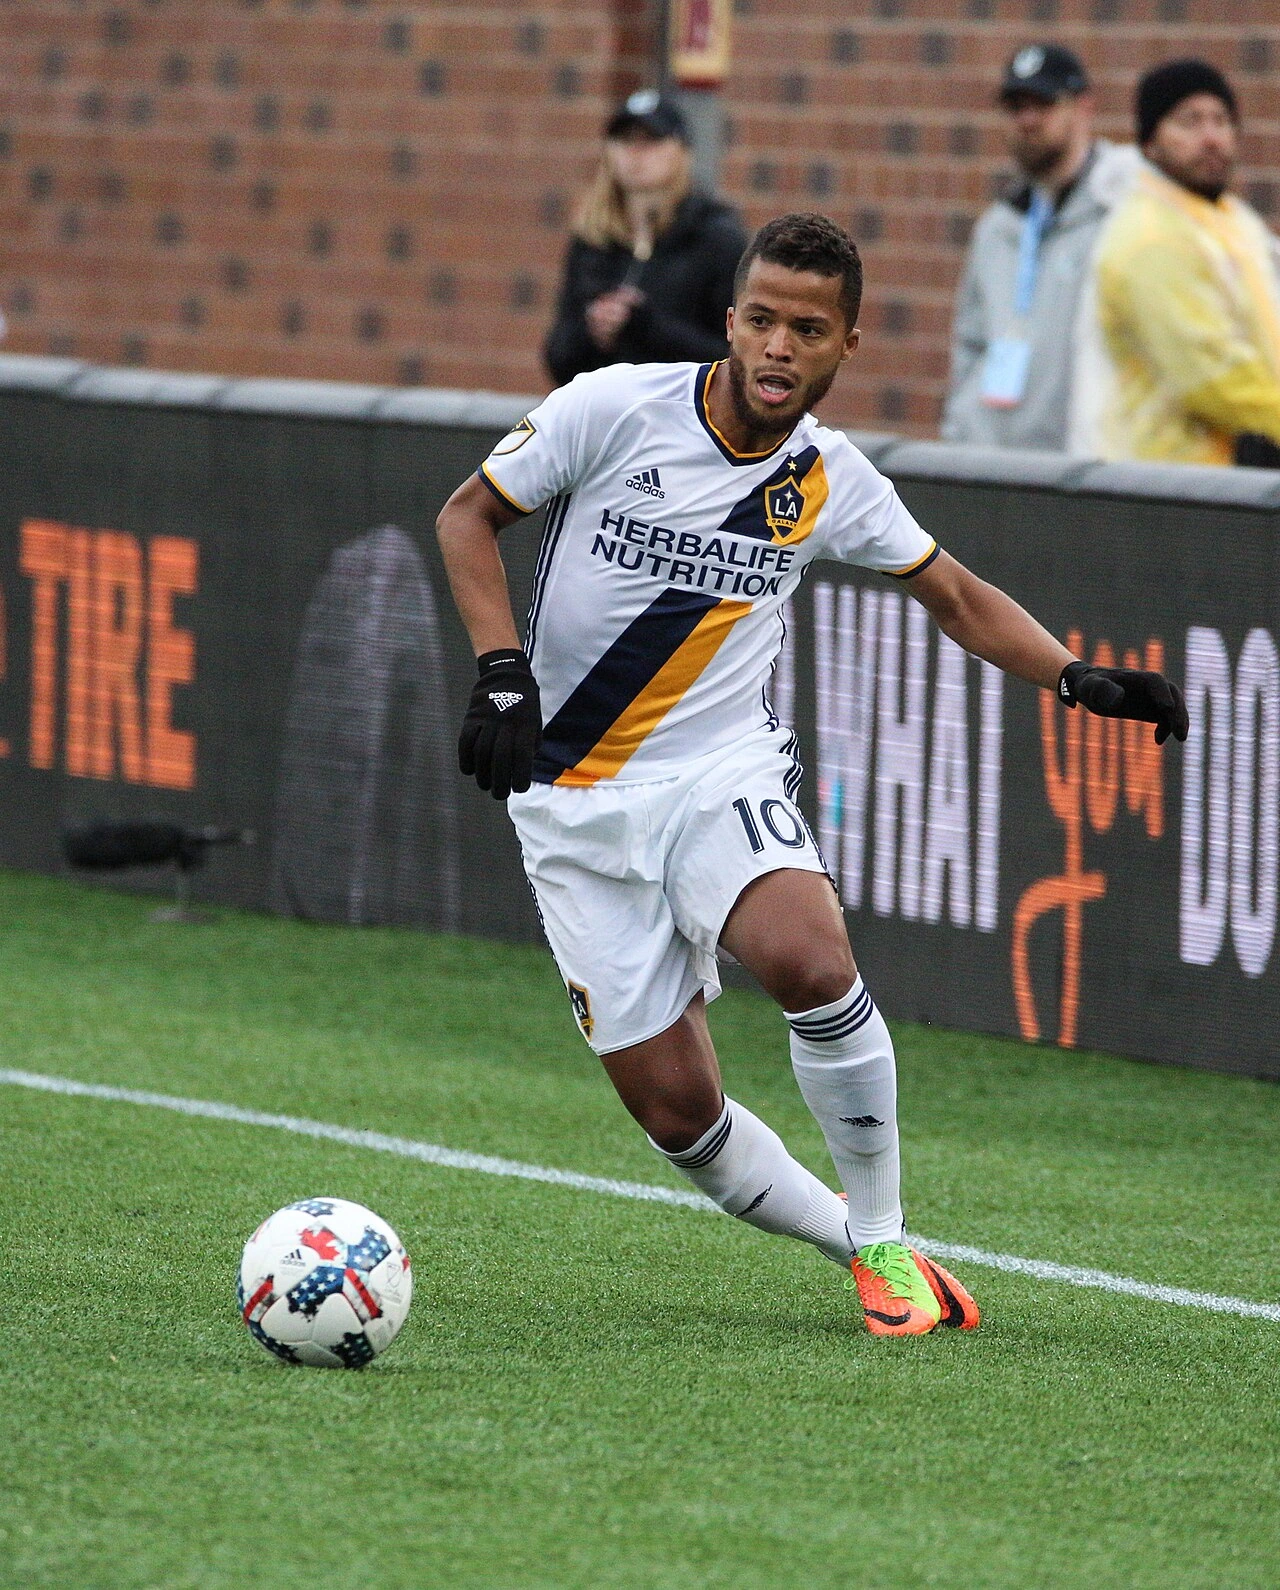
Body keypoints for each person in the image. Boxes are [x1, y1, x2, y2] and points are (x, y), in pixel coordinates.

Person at [437, 213, 1188, 1337]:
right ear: (729, 322)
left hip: (713, 770)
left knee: (803, 954)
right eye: (762, 320)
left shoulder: (829, 478)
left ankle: (882, 1231)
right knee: (677, 1115)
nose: (779, 347)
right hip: (568, 804)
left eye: (807, 328)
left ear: (846, 345)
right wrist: (502, 672)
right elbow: (467, 517)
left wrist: (1077, 678)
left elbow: (957, 598)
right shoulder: (611, 407)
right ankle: (854, 1240)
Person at [1082, 59, 1280, 466]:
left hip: (1231, 480)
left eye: (1221, 120)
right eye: (1189, 122)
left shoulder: (1232, 219)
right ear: (1150, 143)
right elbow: (1214, 380)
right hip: (1167, 491)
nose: (1211, 137)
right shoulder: (1151, 236)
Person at [942, 44, 1137, 452]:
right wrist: (960, 436)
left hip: (1079, 471)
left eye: (1043, 103)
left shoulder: (1122, 214)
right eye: (1016, 107)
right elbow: (971, 346)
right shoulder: (997, 228)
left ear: (1084, 107)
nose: (1027, 120)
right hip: (991, 466)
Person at [543, 89, 747, 386]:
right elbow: (557, 359)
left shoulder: (716, 239)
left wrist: (645, 326)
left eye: (651, 141)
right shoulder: (594, 238)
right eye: (625, 141)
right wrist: (593, 329)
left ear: (681, 150)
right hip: (604, 416)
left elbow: (733, 359)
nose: (635, 153)